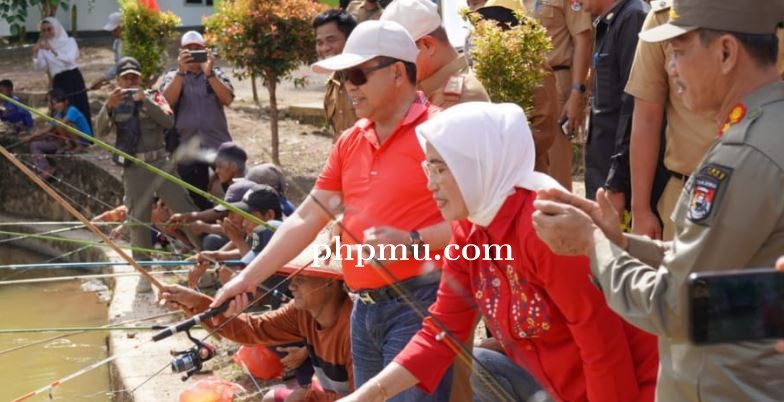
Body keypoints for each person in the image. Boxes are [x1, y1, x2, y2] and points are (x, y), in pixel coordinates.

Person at [531, 1, 784, 399]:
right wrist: (623, 243)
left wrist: (593, 247)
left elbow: (678, 304)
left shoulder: (746, 155)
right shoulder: (763, 129)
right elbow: (729, 277)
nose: (671, 68)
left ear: (726, 52)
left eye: (679, 51)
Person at [339, 102, 658, 402]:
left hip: (639, 389)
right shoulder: (471, 230)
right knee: (484, 364)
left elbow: (603, 348)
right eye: (428, 169)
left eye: (439, 170)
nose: (431, 185)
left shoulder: (546, 227)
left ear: (477, 165)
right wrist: (366, 395)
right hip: (566, 389)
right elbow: (441, 332)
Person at [212, 20, 457, 402]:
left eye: (358, 74)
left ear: (397, 72)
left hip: (421, 304)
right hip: (363, 308)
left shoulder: (442, 132)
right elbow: (308, 217)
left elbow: (475, 225)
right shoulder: (350, 141)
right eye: (344, 77)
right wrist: (246, 279)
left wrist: (411, 241)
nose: (349, 86)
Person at [159, 256, 353, 402]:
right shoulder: (301, 311)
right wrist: (196, 301)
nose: (291, 286)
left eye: (301, 279)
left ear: (330, 282)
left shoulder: (354, 328)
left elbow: (368, 395)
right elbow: (254, 329)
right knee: (271, 398)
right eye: (293, 278)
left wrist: (312, 394)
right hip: (326, 394)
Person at [96, 57, 201, 291]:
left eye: (135, 77)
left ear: (141, 78)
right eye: (126, 77)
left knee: (185, 210)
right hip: (134, 168)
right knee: (137, 221)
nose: (131, 81)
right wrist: (108, 107)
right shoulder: (114, 102)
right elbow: (99, 132)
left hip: (160, 163)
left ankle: (206, 258)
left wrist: (145, 102)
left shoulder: (154, 96)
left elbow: (168, 121)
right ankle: (144, 272)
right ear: (118, 80)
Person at [626, 0, 716, 240]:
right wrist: (641, 210)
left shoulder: (765, 15)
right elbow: (646, 117)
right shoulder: (664, 17)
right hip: (685, 194)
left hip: (763, 194)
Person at [472, 0, 560, 173]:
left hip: (527, 171)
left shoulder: (535, 67)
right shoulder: (486, 69)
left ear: (508, 27)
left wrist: (509, 157)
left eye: (491, 24)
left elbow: (544, 127)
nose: (483, 31)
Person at [582, 0, 647, 210]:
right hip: (602, 172)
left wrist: (616, 184)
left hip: (618, 181)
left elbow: (633, 108)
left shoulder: (632, 18)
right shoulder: (609, 22)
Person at [160, 30, 235, 211]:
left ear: (205, 51)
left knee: (232, 190)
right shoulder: (173, 76)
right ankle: (204, 232)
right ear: (180, 53)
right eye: (189, 50)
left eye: (197, 50)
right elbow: (165, 103)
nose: (193, 54)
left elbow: (228, 99)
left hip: (217, 143)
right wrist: (181, 72)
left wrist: (209, 73)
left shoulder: (215, 74)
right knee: (194, 195)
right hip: (188, 145)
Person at [522, 0, 592, 191]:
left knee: (556, 173)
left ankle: (561, 218)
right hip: (528, 85)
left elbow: (583, 39)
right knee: (534, 167)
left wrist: (577, 91)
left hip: (557, 81)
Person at [381, 0, 491, 109]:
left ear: (427, 45)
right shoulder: (428, 89)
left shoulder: (461, 98)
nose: (395, 68)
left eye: (399, 58)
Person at [32, 17, 92, 133]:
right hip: (59, 80)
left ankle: (84, 137)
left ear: (56, 28)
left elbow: (70, 59)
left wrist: (53, 51)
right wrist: (35, 52)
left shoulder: (69, 42)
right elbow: (40, 67)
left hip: (73, 77)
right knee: (60, 109)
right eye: (43, 30)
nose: (46, 33)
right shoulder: (44, 47)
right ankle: (65, 139)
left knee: (77, 106)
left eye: (49, 29)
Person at [313, 10, 359, 139]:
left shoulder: (369, 80)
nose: (324, 48)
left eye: (331, 40)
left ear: (350, 39)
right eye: (319, 42)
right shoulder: (332, 83)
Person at [90, 12, 124, 90]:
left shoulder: (133, 43)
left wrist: (103, 79)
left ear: (122, 26)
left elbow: (120, 66)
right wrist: (103, 80)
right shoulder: (117, 43)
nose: (112, 33)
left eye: (115, 30)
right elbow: (118, 65)